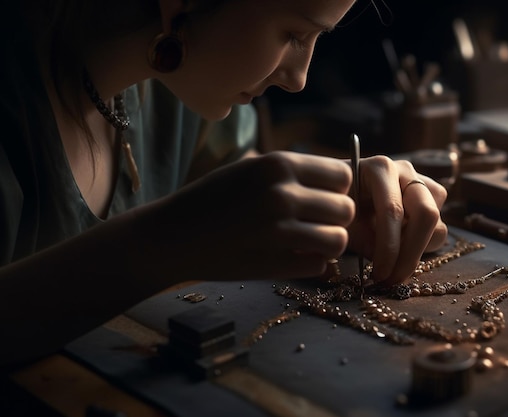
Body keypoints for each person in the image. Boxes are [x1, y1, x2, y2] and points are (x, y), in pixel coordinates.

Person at [0, 0, 448, 371]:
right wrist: (166, 242)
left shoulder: (181, 91)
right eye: (294, 35)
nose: (298, 80)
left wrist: (335, 203)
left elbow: (236, 190)